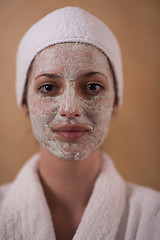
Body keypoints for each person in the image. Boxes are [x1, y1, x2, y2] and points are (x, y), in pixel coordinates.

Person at [0, 6, 159, 240]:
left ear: (116, 101)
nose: (70, 109)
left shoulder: (153, 217)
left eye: (93, 87)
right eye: (48, 87)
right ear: (25, 102)